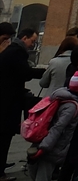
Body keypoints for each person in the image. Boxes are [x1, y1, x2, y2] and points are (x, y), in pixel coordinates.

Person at [30, 70, 78, 181]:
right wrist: (44, 147)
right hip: (51, 147)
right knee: (43, 176)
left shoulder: (61, 96)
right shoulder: (71, 106)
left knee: (36, 174)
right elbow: (58, 127)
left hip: (40, 140)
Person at [0, 26, 42, 181]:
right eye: (32, 41)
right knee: (4, 135)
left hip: (7, 100)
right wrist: (45, 73)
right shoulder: (16, 52)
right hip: (7, 103)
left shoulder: (11, 50)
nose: (32, 45)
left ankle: (1, 164)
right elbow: (25, 73)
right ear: (24, 38)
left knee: (4, 135)